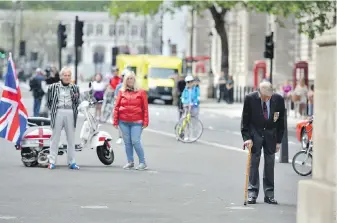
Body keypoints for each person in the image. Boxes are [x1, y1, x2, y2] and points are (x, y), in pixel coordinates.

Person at [240, 81, 285, 205]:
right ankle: (252, 193)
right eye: (264, 97)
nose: (266, 99)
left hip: (271, 136)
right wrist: (246, 138)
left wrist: (278, 141)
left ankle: (269, 194)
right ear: (259, 92)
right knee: (253, 164)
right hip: (255, 135)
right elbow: (245, 121)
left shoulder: (279, 100)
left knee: (270, 165)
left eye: (268, 97)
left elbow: (281, 121)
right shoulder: (250, 99)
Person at [113, 70, 149, 170]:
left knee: (135, 141)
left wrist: (146, 121)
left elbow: (145, 108)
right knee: (127, 142)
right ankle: (130, 161)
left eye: (131, 78)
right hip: (123, 121)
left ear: (135, 79)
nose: (130, 80)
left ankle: (142, 162)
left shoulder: (141, 92)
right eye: (128, 78)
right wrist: (115, 121)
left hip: (137, 121)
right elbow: (117, 106)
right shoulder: (121, 91)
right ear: (125, 80)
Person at [46, 67, 81, 170]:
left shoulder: (75, 88)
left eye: (69, 75)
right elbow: (49, 101)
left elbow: (76, 101)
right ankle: (52, 161)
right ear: (61, 76)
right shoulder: (53, 87)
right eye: (65, 75)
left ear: (71, 77)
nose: (67, 77)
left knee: (71, 139)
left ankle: (72, 162)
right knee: (55, 138)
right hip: (58, 111)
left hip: (70, 112)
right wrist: (54, 110)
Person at [114, 69, 128, 144]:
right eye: (123, 76)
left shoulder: (132, 87)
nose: (124, 77)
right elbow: (116, 96)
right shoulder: (119, 86)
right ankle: (120, 137)